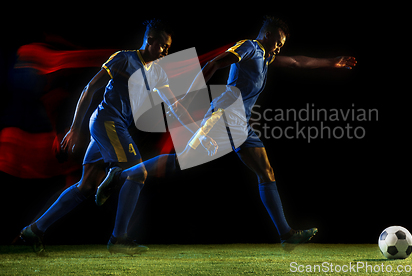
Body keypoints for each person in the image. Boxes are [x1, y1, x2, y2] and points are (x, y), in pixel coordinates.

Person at [98, 16, 357, 251]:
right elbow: (215, 62)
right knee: (180, 162)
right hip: (223, 116)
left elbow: (299, 62)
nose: (279, 48)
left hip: (241, 123)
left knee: (266, 171)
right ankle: (120, 174)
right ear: (266, 35)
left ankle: (286, 233)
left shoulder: (266, 57)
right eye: (277, 42)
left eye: (281, 44)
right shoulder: (250, 47)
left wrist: (332, 62)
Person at [16, 19, 217, 256]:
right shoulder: (124, 58)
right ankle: (118, 237)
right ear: (149, 40)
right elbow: (90, 88)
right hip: (106, 122)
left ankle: (35, 229)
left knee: (85, 186)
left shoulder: (158, 73)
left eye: (168, 47)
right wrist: (74, 128)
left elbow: (174, 106)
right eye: (163, 45)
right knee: (139, 173)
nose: (166, 51)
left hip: (114, 126)